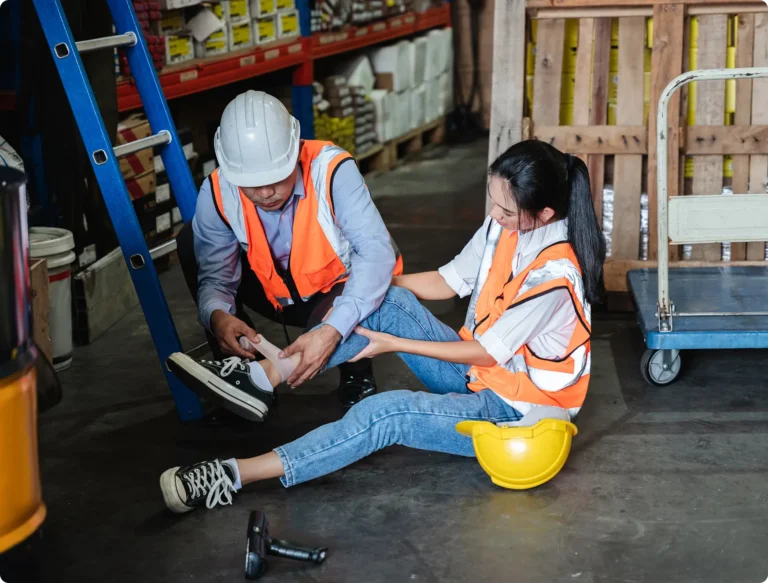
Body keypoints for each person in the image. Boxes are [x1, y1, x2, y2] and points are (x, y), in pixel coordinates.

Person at [160, 140, 606, 513]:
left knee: (383, 414)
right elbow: (447, 281)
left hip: (517, 409)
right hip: (482, 375)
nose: (494, 214)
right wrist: (369, 287)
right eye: (492, 200)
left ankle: (232, 474)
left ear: (543, 214)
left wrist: (395, 343)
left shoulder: (555, 278)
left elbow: (487, 351)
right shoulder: (506, 226)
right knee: (384, 299)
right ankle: (260, 378)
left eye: (505, 209)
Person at [169, 90, 403, 420]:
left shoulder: (331, 169)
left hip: (334, 291)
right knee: (188, 241)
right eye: (251, 184)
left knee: (354, 305)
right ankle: (242, 376)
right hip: (274, 293)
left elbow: (376, 255)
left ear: (294, 153)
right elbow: (215, 277)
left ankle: (356, 373)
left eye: (276, 178)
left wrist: (333, 328)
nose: (266, 193)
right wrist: (217, 315)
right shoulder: (218, 190)